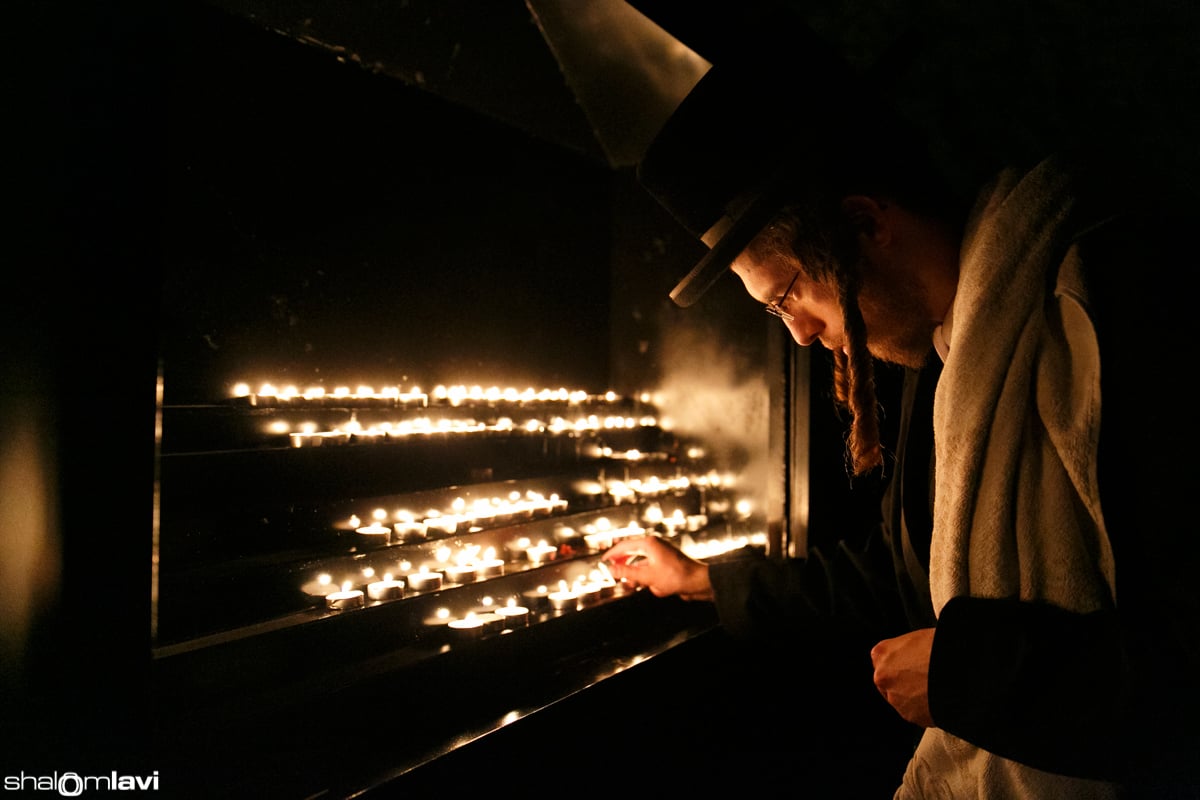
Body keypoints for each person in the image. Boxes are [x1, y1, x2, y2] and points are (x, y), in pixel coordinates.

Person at [602, 54, 1200, 799]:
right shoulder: (950, 361)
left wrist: (967, 678)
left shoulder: (1118, 303)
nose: (800, 335)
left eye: (788, 296)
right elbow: (899, 565)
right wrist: (702, 581)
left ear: (864, 223)